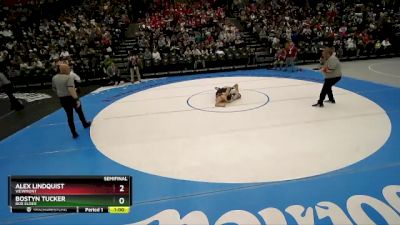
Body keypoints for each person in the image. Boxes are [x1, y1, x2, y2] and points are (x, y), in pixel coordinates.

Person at [52, 64, 91, 138]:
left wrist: (61, 92)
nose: (69, 70)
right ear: (65, 70)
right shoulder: (68, 78)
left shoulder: (54, 78)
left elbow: (54, 89)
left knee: (69, 116)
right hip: (71, 98)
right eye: (68, 68)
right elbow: (71, 90)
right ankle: (84, 124)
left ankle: (73, 133)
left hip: (62, 99)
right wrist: (76, 99)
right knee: (79, 111)